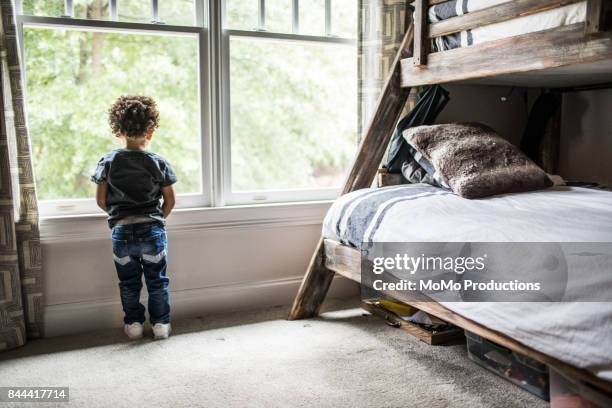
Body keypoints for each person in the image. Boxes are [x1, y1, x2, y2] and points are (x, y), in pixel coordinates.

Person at [91, 95, 176, 340]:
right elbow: (170, 200)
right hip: (152, 229)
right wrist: (157, 219)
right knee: (157, 280)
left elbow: (100, 200)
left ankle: (134, 325)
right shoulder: (158, 162)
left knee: (128, 283)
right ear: (150, 132)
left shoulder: (108, 161)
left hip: (121, 232)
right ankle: (160, 325)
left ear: (118, 131)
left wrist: (119, 216)